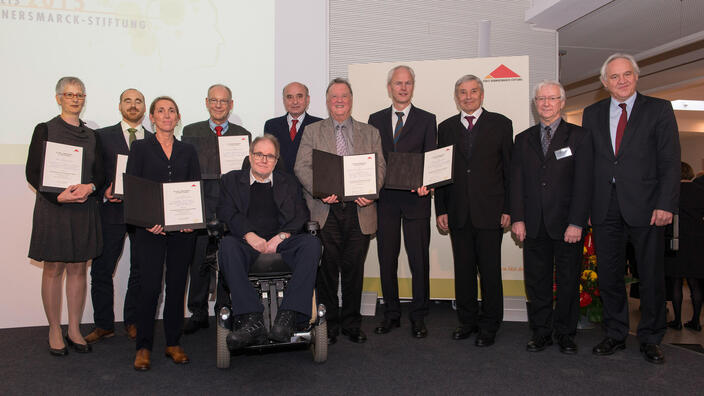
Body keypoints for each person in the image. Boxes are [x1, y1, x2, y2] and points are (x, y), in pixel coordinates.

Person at [582, 53, 680, 364]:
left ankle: (651, 338)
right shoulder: (592, 113)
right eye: (614, 76)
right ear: (604, 82)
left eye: (627, 74)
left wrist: (666, 203)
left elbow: (669, 161)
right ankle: (614, 334)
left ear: (636, 77)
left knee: (650, 275)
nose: (621, 80)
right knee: (609, 275)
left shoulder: (659, 109)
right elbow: (588, 164)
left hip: (648, 207)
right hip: (604, 207)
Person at [295, 78, 385, 344]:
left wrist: (370, 193)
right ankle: (329, 324)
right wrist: (321, 190)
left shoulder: (370, 132)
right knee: (327, 271)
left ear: (351, 99)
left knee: (354, 269)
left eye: (344, 96)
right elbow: (301, 167)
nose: (339, 100)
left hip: (360, 210)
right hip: (326, 210)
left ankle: (352, 324)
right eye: (334, 96)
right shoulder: (312, 131)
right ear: (327, 101)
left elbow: (380, 168)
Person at [510, 81, 593, 354]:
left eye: (551, 98)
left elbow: (584, 184)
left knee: (569, 281)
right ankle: (541, 332)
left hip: (567, 224)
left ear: (562, 102)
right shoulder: (523, 139)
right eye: (541, 99)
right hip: (532, 224)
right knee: (536, 283)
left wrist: (577, 222)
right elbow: (517, 183)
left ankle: (566, 334)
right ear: (535, 104)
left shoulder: (580, 137)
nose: (546, 103)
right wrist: (518, 218)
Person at [217, 135, 321, 348]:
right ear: (250, 156)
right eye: (259, 154)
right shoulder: (231, 180)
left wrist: (281, 237)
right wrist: (249, 235)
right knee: (227, 246)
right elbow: (226, 211)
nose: (264, 160)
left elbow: (301, 214)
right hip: (246, 243)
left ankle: (288, 316)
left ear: (276, 159)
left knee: (312, 244)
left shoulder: (289, 182)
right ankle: (251, 319)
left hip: (280, 242)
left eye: (270, 156)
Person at [26, 76, 103, 356]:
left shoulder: (92, 135)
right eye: (69, 94)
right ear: (59, 98)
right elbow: (32, 171)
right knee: (53, 268)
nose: (75, 99)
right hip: (54, 208)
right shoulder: (45, 130)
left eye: (80, 94)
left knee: (78, 268)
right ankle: (54, 329)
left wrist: (91, 186)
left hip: (82, 208)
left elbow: (100, 173)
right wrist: (57, 196)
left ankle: (73, 328)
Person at [434, 74, 512, 347]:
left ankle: (490, 325)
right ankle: (467, 322)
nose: (468, 97)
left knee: (490, 273)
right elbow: (440, 172)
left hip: (491, 211)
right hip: (457, 211)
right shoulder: (444, 128)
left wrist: (509, 208)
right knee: (464, 271)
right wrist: (440, 208)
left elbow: (509, 170)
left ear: (482, 94)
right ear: (457, 97)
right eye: (463, 93)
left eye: (473, 91)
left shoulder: (502, 124)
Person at [127, 96, 201, 370]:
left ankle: (173, 343)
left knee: (177, 287)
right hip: (150, 230)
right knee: (149, 288)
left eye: (171, 111)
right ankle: (143, 347)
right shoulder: (140, 148)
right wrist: (149, 220)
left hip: (182, 231)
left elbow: (194, 187)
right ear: (152, 117)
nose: (167, 115)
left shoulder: (188, 151)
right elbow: (135, 189)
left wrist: (191, 219)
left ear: (177, 117)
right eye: (161, 111)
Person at [367, 65, 437, 338]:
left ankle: (419, 316)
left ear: (413, 86)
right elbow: (371, 158)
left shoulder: (427, 119)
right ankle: (391, 314)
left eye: (408, 83)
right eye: (398, 83)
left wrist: (427, 184)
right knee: (387, 259)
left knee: (419, 260)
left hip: (416, 200)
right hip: (384, 200)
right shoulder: (375, 119)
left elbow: (431, 159)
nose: (403, 87)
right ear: (389, 87)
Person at [182, 84, 252, 335]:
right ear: (207, 102)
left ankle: (224, 309)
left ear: (231, 105)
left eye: (224, 101)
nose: (219, 105)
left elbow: (247, 175)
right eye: (214, 100)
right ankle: (198, 312)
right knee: (198, 261)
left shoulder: (243, 134)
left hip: (231, 208)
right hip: (200, 205)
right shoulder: (191, 132)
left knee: (228, 260)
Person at [85, 88, 149, 344]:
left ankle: (132, 320)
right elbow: (93, 171)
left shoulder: (153, 140)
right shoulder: (102, 137)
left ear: (145, 108)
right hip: (111, 211)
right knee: (102, 269)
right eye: (128, 101)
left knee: (141, 269)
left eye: (138, 101)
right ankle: (103, 324)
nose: (133, 105)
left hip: (143, 213)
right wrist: (103, 190)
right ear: (119, 105)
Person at [665, 162, 704, 332]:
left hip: (677, 240)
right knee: (695, 284)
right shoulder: (701, 191)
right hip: (698, 242)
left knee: (676, 282)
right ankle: (696, 321)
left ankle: (677, 320)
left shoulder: (672, 192)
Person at [264, 82, 322, 175]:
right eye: (289, 97)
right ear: (284, 100)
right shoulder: (271, 125)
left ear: (307, 99)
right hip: (279, 185)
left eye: (299, 96)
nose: (295, 101)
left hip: (308, 186)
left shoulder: (319, 125)